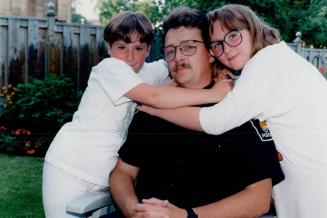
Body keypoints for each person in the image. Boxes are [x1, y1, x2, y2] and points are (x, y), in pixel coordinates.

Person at [138, 4, 327, 218]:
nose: (227, 48)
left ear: (252, 29)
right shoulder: (270, 62)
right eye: (218, 44)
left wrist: (154, 107)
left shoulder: (265, 64)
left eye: (234, 35)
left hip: (317, 181)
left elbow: (215, 121)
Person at [42, 11, 231, 218]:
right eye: (121, 47)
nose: (130, 57)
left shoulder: (148, 72)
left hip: (105, 177)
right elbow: (156, 97)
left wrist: (219, 70)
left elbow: (184, 65)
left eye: (138, 48)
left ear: (148, 49)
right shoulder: (110, 68)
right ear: (109, 47)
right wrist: (213, 94)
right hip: (70, 167)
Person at [109, 7, 284, 218]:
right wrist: (132, 210)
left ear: (211, 53)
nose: (178, 57)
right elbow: (122, 173)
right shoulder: (152, 109)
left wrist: (186, 215)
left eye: (189, 47)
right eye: (170, 50)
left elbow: (259, 199)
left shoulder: (238, 108)